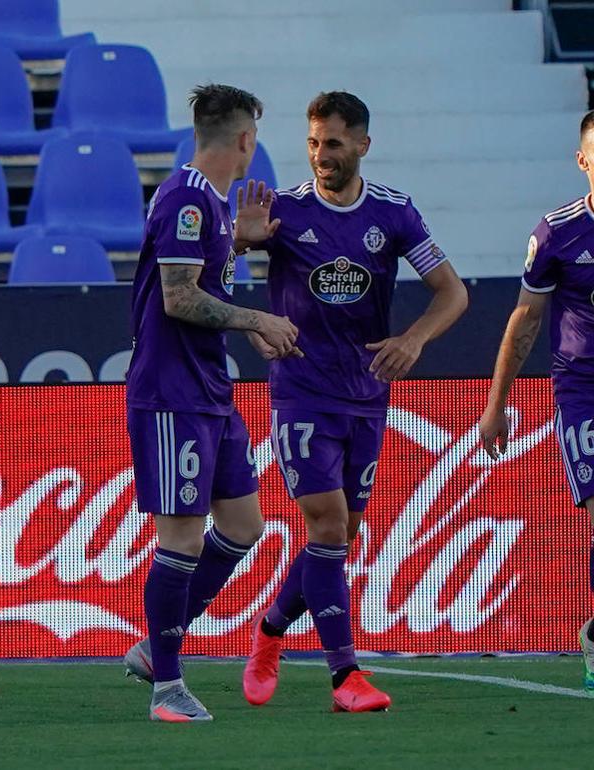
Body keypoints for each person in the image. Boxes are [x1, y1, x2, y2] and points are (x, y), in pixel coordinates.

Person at [235, 91, 468, 712]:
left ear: (364, 144)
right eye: (313, 143)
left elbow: (452, 293)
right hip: (301, 393)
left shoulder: (393, 214)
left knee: (338, 538)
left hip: (366, 396)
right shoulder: (280, 212)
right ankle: (346, 677)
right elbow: (200, 276)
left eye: (333, 143)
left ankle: (268, 634)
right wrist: (240, 248)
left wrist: (414, 339)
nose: (320, 156)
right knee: (329, 527)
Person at [120, 83, 300, 723]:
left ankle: (155, 644)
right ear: (245, 138)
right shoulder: (187, 196)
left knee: (245, 525)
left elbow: (199, 275)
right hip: (173, 393)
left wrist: (238, 243)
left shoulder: (212, 207)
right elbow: (178, 297)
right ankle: (167, 686)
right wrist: (256, 319)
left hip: (210, 393)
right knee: (181, 539)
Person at [480, 109, 594, 692]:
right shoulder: (559, 233)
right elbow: (524, 321)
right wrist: (497, 405)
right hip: (584, 388)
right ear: (583, 161)